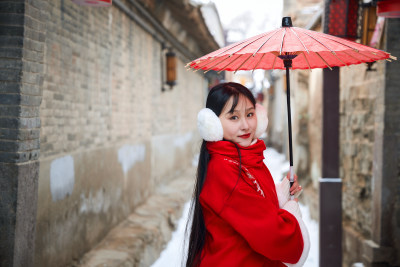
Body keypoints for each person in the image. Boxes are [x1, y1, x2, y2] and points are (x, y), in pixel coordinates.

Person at [185, 82, 310, 267]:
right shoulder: (223, 170)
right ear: (213, 124)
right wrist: (290, 212)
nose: (245, 125)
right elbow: (272, 235)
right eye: (233, 117)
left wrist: (279, 194)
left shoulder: (249, 158)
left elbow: (250, 203)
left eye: (250, 114)